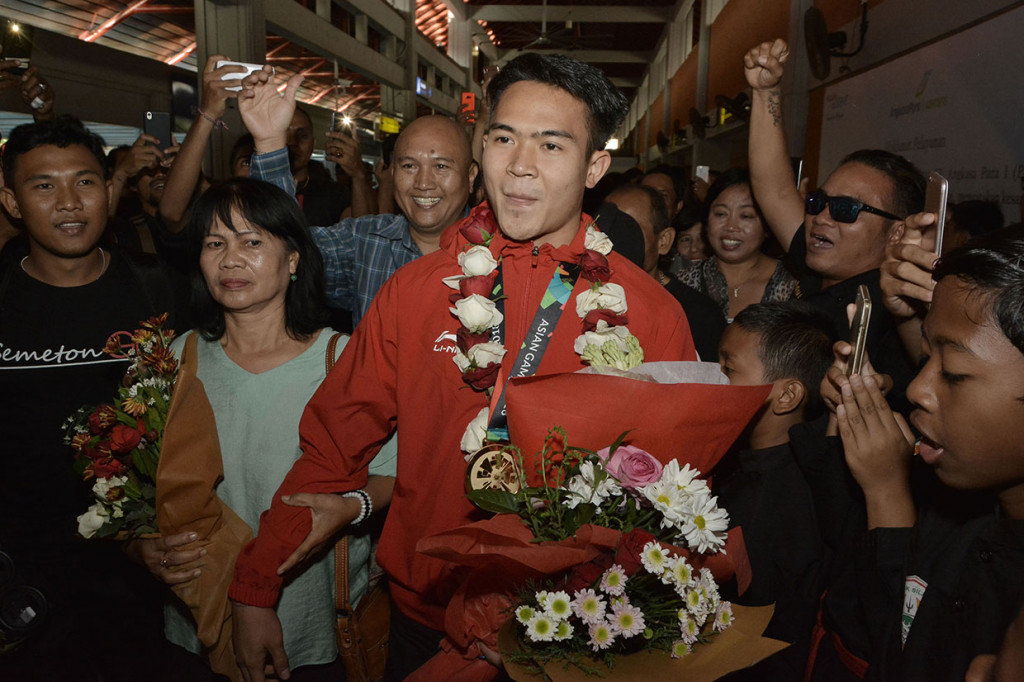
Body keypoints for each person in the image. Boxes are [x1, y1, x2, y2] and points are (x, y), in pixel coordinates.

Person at [228, 53, 697, 682]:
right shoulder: (418, 291)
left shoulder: (649, 313)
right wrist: (255, 585)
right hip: (426, 618)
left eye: (551, 145)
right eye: (504, 138)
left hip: (578, 628)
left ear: (595, 168)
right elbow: (333, 443)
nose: (520, 165)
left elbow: (672, 495)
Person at [157, 177, 396, 679]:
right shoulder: (178, 359)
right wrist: (143, 547)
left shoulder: (342, 359)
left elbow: (393, 476)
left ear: (292, 260)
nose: (230, 259)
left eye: (252, 241)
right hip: (198, 616)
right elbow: (141, 486)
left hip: (313, 626)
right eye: (214, 243)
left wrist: (353, 507)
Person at [0, 117, 195, 680]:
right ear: (11, 201)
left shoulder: (161, 290)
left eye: (85, 182)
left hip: (139, 574)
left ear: (111, 189)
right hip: (21, 575)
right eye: (44, 186)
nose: (69, 203)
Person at [823, 226, 1024, 680]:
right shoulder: (962, 509)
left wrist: (886, 490)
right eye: (925, 355)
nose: (917, 388)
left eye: (951, 373)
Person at [744, 39, 924, 404]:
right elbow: (774, 190)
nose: (822, 217)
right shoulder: (820, 266)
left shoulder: (899, 318)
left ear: (898, 232)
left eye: (846, 209)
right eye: (818, 201)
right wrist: (766, 92)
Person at [245, 95, 478, 326]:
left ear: (470, 177)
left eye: (440, 166)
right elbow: (284, 244)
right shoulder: (365, 242)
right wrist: (270, 142)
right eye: (409, 166)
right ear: (393, 174)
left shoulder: (501, 251)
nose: (423, 182)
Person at [714, 301, 836, 679]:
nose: (712, 379)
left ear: (786, 396)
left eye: (728, 370)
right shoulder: (740, 458)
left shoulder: (784, 500)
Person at [605, 182, 726, 360]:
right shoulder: (582, 296)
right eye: (606, 230)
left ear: (663, 241)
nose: (613, 241)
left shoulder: (697, 315)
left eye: (628, 230)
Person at [680, 167, 795, 322]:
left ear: (768, 225)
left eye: (746, 216)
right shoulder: (684, 284)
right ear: (706, 221)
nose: (731, 226)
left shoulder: (792, 287)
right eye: (720, 214)